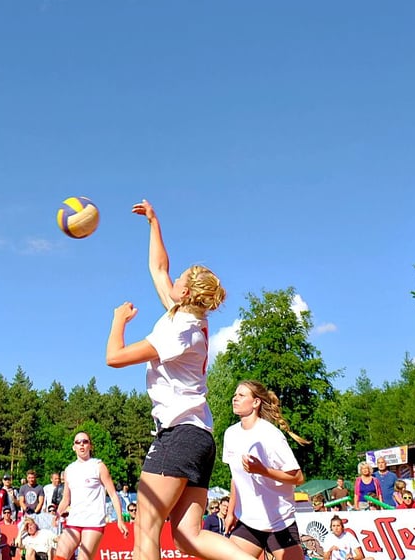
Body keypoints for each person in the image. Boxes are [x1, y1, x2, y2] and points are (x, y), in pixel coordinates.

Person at [105, 199, 248, 560]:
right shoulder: (187, 316)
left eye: (181, 278)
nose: (174, 277)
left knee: (146, 528)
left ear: (185, 292)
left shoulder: (178, 330)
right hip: (199, 436)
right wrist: (154, 222)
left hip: (179, 434)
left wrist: (118, 320)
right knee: (188, 536)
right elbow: (158, 267)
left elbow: (114, 358)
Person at [222, 380, 309, 560]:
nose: (235, 398)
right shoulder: (230, 434)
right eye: (235, 395)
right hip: (248, 521)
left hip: (280, 522)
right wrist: (230, 513)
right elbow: (235, 478)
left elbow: (298, 477)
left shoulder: (270, 435)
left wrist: (262, 470)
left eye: (241, 395)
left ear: (256, 402)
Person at [52, 432, 128, 560]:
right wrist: (57, 514)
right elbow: (66, 499)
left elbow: (113, 494)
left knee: (84, 557)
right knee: (60, 555)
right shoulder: (69, 470)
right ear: (73, 447)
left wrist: (120, 519)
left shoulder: (98, 466)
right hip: (74, 520)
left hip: (93, 521)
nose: (81, 444)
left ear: (90, 446)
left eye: (85, 441)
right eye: (78, 442)